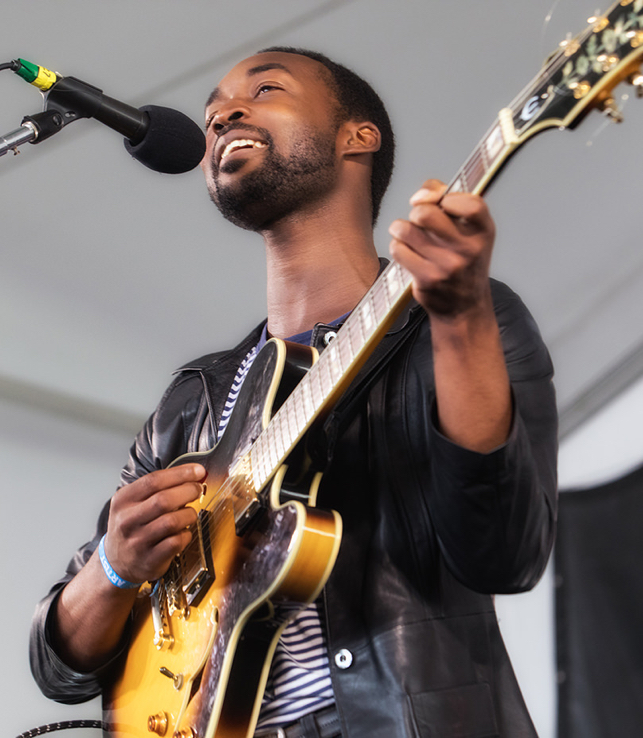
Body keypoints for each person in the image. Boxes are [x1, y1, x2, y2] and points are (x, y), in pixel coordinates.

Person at [30, 47, 558, 738]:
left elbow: (504, 553)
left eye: (266, 88)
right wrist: (113, 567)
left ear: (357, 137)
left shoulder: (455, 320)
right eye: (214, 107)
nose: (223, 114)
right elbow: (61, 666)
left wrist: (459, 322)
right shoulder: (191, 405)